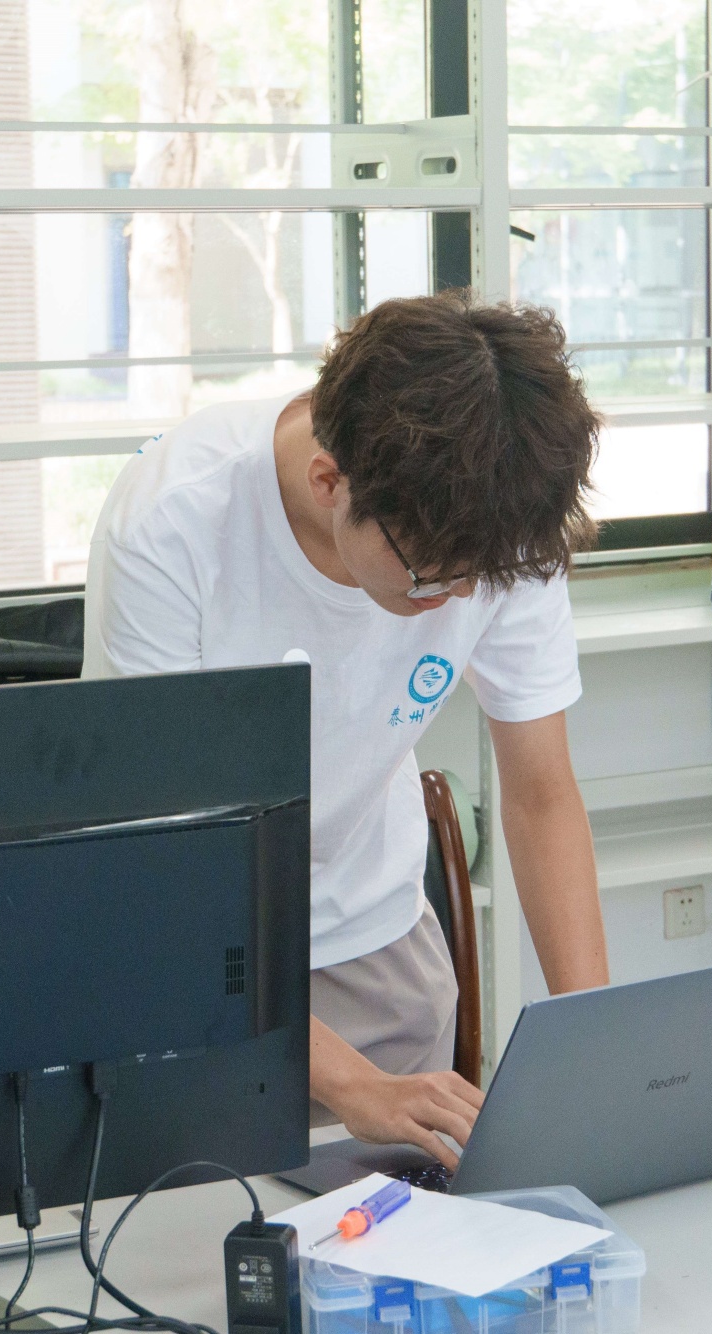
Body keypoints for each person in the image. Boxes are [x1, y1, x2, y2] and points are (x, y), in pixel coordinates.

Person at [82, 294, 610, 1167]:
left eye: (481, 578)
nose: (459, 600)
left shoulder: (498, 516)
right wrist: (350, 1085)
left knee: (411, 1229)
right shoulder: (173, 522)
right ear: (331, 482)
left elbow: (541, 796)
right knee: (203, 1232)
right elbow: (173, 862)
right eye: (431, 579)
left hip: (375, 942)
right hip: (190, 947)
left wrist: (594, 1041)